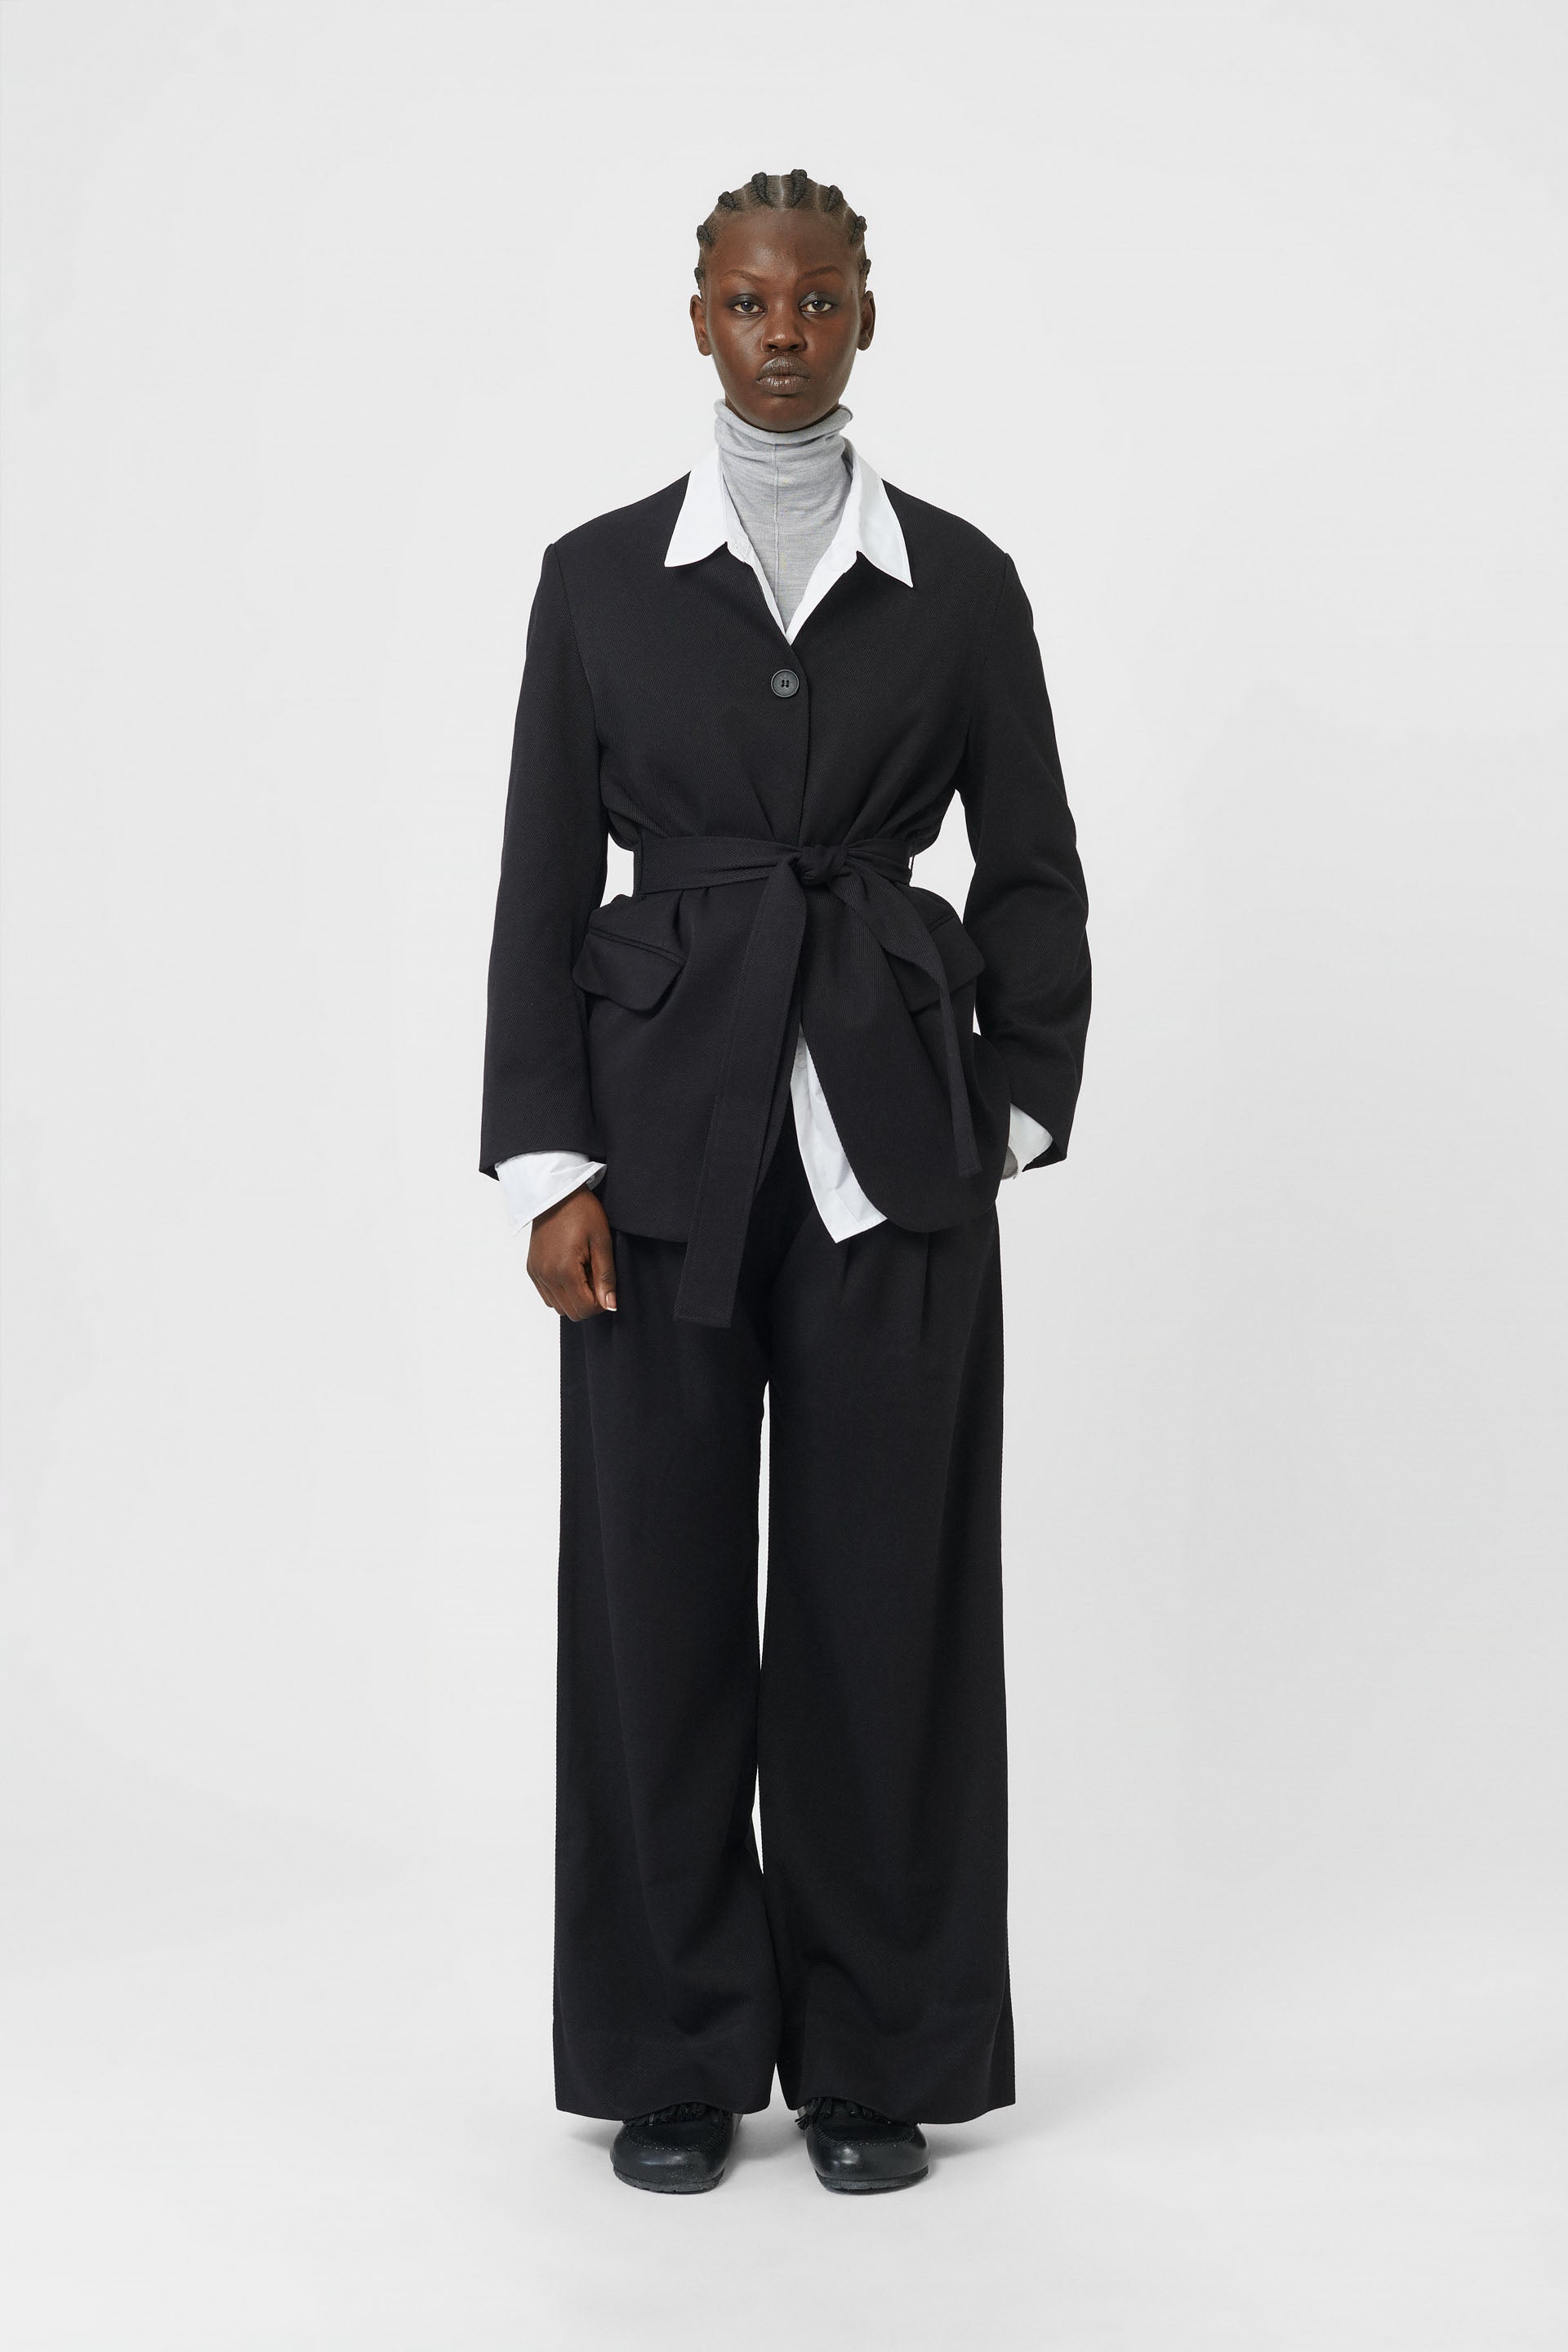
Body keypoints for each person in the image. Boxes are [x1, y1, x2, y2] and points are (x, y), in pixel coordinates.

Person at [479, 168, 1090, 2195]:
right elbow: (539, 887)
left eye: (817, 301)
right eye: (749, 302)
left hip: (894, 1158)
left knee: (884, 1607)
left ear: (864, 317)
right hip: (653, 1157)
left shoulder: (964, 584)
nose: (783, 335)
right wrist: (551, 1160)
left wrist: (1007, 1110)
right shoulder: (594, 581)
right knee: (651, 1603)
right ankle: (672, 2050)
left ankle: (873, 2052)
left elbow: (1033, 870)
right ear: (700, 319)